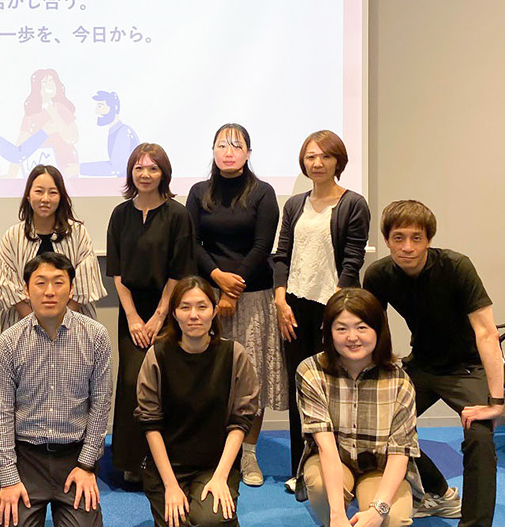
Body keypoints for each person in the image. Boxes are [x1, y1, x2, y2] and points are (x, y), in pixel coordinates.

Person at [363, 200, 504, 527]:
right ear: (387, 240)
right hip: (422, 365)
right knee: (377, 425)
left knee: (480, 437)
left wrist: (496, 403)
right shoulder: (379, 275)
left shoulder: (456, 267)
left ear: (429, 240)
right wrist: (377, 376)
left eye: (416, 238)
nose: (407, 247)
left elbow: (486, 333)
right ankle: (439, 493)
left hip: (467, 369)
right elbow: (373, 328)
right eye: (399, 238)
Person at [271, 130, 371, 494]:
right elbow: (281, 255)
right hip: (294, 307)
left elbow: (353, 260)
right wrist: (280, 301)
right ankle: (300, 470)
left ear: (338, 161)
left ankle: (336, 469)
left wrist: (337, 313)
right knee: (300, 387)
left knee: (332, 388)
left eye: (325, 156)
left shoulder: (353, 203)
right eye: (311, 156)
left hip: (334, 309)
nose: (317, 163)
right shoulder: (294, 205)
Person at [185, 123, 282, 487]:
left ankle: (249, 453)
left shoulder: (262, 192)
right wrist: (217, 278)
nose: (229, 151)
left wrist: (233, 287)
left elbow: (262, 245)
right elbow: (192, 241)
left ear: (248, 153)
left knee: (252, 377)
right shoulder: (199, 192)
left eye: (237, 146)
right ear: (213, 151)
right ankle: (213, 450)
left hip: (253, 295)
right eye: (222, 145)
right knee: (210, 374)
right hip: (207, 297)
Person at [0, 253, 112, 527]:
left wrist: (86, 465)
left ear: (71, 288)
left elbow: (101, 404)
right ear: (26, 290)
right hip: (26, 458)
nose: (49, 291)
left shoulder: (95, 336)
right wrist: (8, 477)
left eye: (58, 282)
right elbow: (0, 411)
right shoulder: (10, 341)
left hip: (74, 456)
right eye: (40, 283)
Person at [135, 277, 260, 527]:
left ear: (214, 311)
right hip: (167, 467)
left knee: (209, 520)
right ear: (174, 313)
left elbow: (241, 421)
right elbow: (150, 423)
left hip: (214, 465)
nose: (194, 315)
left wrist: (221, 477)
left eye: (202, 307)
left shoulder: (234, 354)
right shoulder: (157, 355)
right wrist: (170, 485)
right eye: (185, 307)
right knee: (177, 522)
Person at [106, 143, 195, 483]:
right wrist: (132, 317)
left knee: (165, 383)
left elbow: (179, 270)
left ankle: (166, 463)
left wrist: (159, 317)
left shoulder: (178, 215)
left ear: (164, 174)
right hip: (131, 313)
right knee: (131, 382)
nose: (145, 174)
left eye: (153, 168)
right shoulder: (120, 214)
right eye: (139, 168)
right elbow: (117, 272)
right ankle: (132, 461)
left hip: (169, 310)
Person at [296, 288, 421, 527]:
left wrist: (378, 511)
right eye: (341, 329)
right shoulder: (311, 372)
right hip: (335, 460)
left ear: (378, 330)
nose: (352, 337)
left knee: (393, 520)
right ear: (329, 333)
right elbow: (325, 446)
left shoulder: (400, 382)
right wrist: (336, 516)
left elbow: (400, 453)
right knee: (320, 487)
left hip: (380, 467)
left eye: (362, 327)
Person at [0, 164, 106, 330]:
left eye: (52, 192)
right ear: (28, 195)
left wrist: (60, 324)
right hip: (22, 327)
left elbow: (85, 284)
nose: (45, 199)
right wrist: (38, 325)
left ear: (61, 197)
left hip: (74, 327)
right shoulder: (13, 236)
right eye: (39, 191)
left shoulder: (78, 233)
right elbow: (7, 286)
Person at [16, 69, 80, 173]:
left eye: (52, 81)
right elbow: (20, 145)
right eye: (45, 82)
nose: (50, 85)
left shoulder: (61, 108)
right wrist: (11, 173)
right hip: (38, 167)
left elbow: (73, 138)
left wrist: (55, 116)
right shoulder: (31, 114)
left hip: (65, 167)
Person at [79, 91, 139, 177]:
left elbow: (116, 168)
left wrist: (80, 168)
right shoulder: (115, 131)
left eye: (100, 106)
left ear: (114, 108)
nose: (96, 111)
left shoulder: (123, 132)